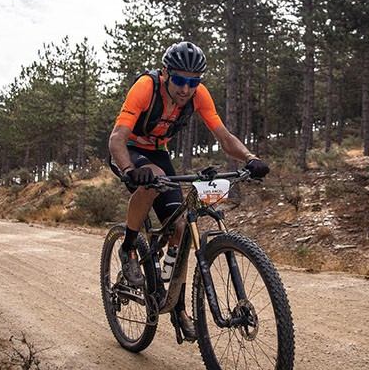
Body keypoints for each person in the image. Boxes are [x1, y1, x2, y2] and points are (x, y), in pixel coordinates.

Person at [108, 41, 270, 341]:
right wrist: (130, 170)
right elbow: (117, 137)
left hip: (158, 152)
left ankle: (177, 308)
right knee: (151, 179)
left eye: (193, 82)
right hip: (129, 150)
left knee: (180, 230)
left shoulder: (198, 95)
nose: (186, 89)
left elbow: (224, 136)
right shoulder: (146, 87)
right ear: (167, 74)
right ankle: (128, 248)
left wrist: (250, 158)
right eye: (180, 80)